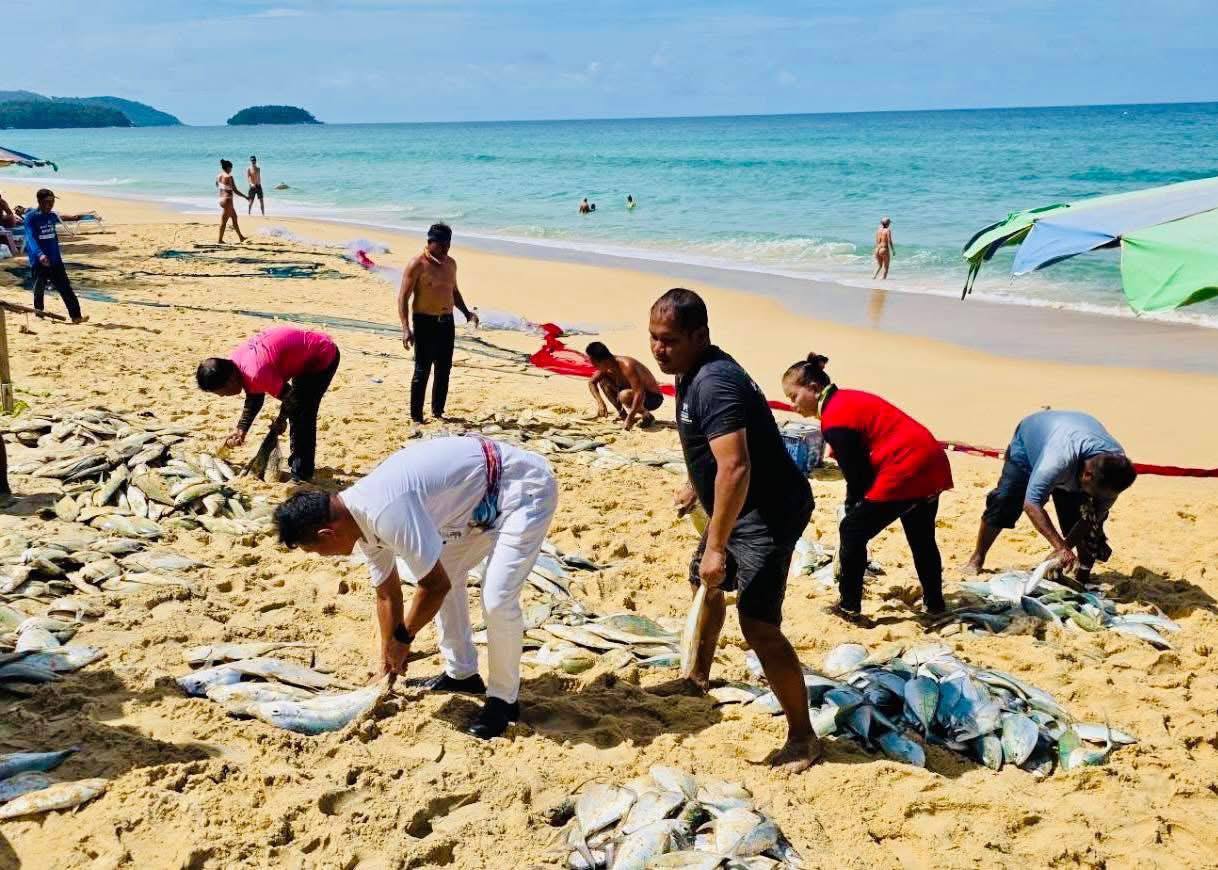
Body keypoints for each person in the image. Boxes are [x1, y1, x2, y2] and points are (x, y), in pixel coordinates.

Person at [273, 435, 558, 739]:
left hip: (521, 488)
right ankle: (461, 674)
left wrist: (404, 637)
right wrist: (386, 662)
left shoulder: (384, 512)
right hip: (473, 503)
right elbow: (386, 594)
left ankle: (503, 700)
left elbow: (434, 586)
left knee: (497, 598)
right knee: (447, 569)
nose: (321, 556)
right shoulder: (356, 518)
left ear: (327, 533)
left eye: (315, 550)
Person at [649, 287, 819, 772]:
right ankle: (697, 677)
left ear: (700, 335)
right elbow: (713, 449)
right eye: (654, 339)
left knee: (759, 624)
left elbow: (737, 467)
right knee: (705, 583)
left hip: (768, 512)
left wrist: (717, 544)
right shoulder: (687, 372)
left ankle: (803, 736)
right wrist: (693, 483)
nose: (659, 349)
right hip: (737, 505)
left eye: (670, 340)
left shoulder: (714, 382)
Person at [782, 353, 952, 625]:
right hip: (931, 460)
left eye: (793, 396)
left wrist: (853, 508)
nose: (792, 405)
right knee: (921, 538)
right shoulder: (847, 399)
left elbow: (858, 477)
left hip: (906, 466)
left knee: (852, 530)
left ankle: (848, 606)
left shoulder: (835, 418)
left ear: (813, 389)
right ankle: (935, 603)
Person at [965, 410, 1137, 581]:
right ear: (1087, 475)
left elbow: (1090, 520)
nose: (1098, 497)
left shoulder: (1116, 472)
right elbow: (1031, 504)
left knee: (1079, 517)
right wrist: (1061, 548)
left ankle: (1083, 573)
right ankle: (977, 558)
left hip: (1071, 436)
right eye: (1093, 491)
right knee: (1004, 501)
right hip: (1028, 445)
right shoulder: (1056, 461)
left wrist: (1067, 548)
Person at [196, 326, 339, 482]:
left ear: (230, 381)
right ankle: (297, 461)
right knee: (296, 409)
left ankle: (302, 473)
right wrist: (241, 429)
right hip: (302, 356)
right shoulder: (235, 363)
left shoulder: (256, 372)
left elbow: (292, 399)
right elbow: (254, 396)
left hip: (321, 356)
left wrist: (281, 419)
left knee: (302, 414)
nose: (222, 395)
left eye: (221, 391)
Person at [399, 223, 479, 424]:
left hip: (447, 322)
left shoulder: (451, 264)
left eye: (448, 245)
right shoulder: (417, 264)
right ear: (430, 242)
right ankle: (417, 416)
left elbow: (454, 291)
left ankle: (438, 411)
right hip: (425, 322)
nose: (445, 249)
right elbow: (403, 298)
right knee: (422, 370)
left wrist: (467, 313)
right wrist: (406, 328)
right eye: (442, 245)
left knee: (444, 369)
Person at [22, 189, 89, 324]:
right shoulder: (31, 217)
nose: (50, 204)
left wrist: (75, 217)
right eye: (47, 202)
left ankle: (76, 316)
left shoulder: (52, 216)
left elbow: (61, 217)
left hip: (55, 260)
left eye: (52, 202)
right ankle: (39, 313)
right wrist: (40, 255)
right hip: (39, 260)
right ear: (39, 202)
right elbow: (31, 238)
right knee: (39, 288)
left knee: (65, 288)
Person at [585, 341, 664, 430]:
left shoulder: (627, 366)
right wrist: (600, 402)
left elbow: (639, 393)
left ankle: (647, 415)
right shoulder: (606, 366)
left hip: (652, 398)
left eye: (594, 363)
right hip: (631, 393)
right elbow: (591, 382)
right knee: (603, 381)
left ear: (603, 361)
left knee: (624, 395)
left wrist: (630, 419)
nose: (593, 366)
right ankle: (623, 414)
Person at [215, 159, 248, 243]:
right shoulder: (229, 177)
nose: (231, 170)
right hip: (228, 200)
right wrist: (245, 197)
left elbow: (217, 185)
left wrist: (225, 189)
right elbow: (235, 190)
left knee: (234, 217)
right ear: (228, 168)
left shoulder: (218, 176)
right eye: (231, 168)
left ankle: (241, 237)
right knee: (224, 221)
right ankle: (219, 240)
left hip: (221, 199)